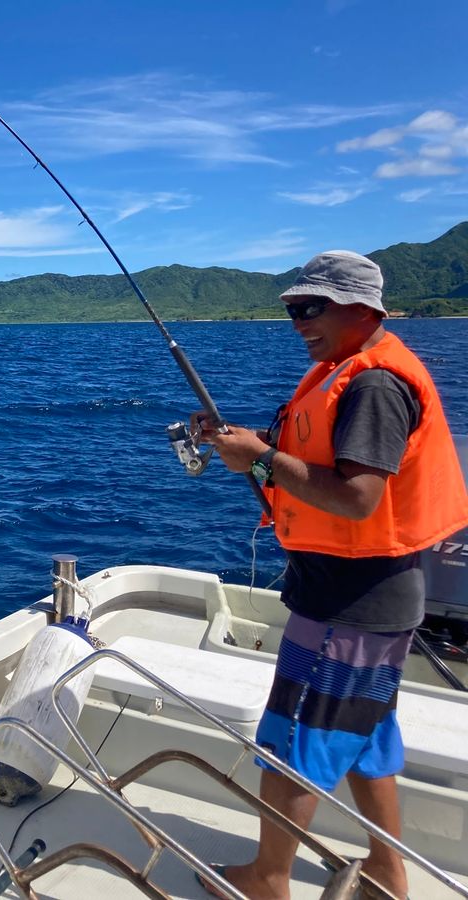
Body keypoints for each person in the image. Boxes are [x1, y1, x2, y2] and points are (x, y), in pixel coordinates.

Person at [194, 250, 468, 900]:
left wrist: (260, 461)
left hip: (350, 604)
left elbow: (357, 498)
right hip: (376, 599)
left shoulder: (372, 385)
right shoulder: (347, 374)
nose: (298, 321)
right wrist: (251, 449)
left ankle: (267, 879)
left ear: (363, 308)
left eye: (311, 307)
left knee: (291, 739)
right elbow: (322, 463)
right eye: (292, 308)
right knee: (367, 736)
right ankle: (388, 869)